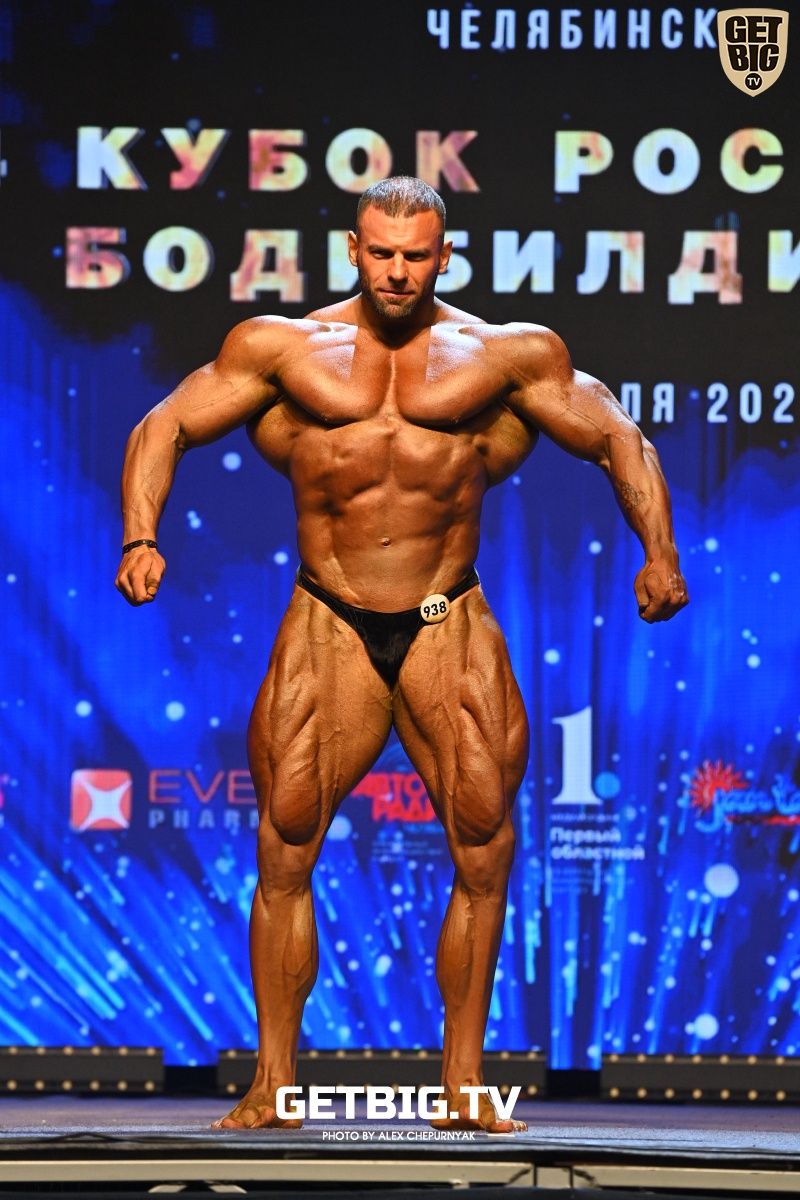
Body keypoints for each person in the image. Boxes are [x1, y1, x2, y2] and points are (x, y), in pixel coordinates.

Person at [116, 176, 688, 1132]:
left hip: (445, 618)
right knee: (285, 841)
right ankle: (272, 1085)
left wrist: (659, 553)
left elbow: (619, 439)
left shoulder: (505, 356)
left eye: (415, 255)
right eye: (380, 252)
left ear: (443, 256)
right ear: (353, 249)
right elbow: (162, 423)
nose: (396, 271)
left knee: (483, 843)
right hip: (328, 619)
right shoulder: (281, 348)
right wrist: (141, 536)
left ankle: (463, 1084)